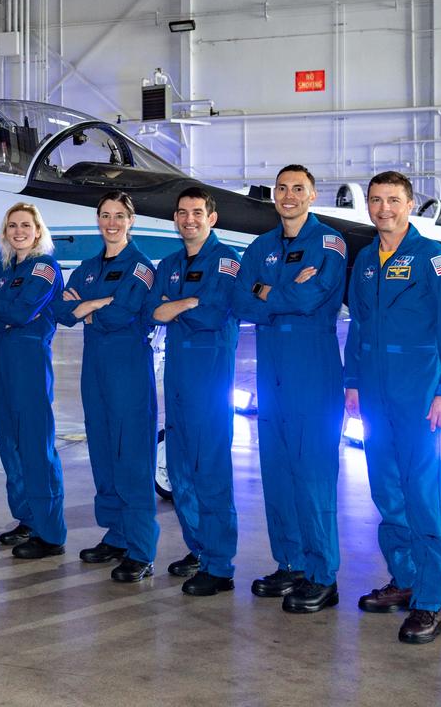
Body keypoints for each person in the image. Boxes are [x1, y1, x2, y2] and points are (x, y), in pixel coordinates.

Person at [344, 171, 441, 644]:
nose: (384, 210)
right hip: (375, 391)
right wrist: (353, 382)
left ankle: (432, 600)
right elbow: (358, 323)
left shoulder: (435, 258)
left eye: (393, 201)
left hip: (420, 392)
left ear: (410, 204)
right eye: (376, 201)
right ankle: (404, 579)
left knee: (422, 493)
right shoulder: (364, 260)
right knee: (387, 490)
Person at [232, 165, 347, 614]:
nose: (289, 195)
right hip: (271, 370)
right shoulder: (260, 247)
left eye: (299, 188)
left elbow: (312, 298)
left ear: (313, 195)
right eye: (282, 188)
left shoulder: (329, 243)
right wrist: (276, 292)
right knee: (277, 470)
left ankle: (323, 574)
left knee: (313, 473)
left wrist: (267, 293)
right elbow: (240, 300)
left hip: (312, 369)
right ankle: (291, 562)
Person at [54, 192, 158, 582]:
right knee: (101, 449)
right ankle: (115, 534)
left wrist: (89, 306)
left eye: (119, 216)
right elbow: (62, 312)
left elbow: (120, 315)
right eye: (105, 215)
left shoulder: (142, 268)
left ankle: (141, 547)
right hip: (94, 367)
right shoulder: (87, 267)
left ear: (131, 221)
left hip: (127, 367)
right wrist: (95, 305)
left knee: (131, 453)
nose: (111, 223)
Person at [146, 187, 241, 596]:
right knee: (181, 468)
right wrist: (189, 302)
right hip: (179, 379)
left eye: (197, 213)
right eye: (182, 213)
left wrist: (178, 305)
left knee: (211, 470)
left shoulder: (227, 262)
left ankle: (220, 563)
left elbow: (214, 312)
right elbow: (153, 309)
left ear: (212, 218)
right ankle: (199, 548)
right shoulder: (168, 263)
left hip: (210, 377)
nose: (189, 219)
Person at [0, 202, 67, 560]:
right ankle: (27, 518)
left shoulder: (45, 267)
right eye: (12, 225)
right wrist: (3, 315)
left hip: (30, 360)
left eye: (25, 225)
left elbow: (19, 310)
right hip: (1, 357)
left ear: (38, 230)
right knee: (10, 443)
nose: (18, 231)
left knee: (35, 444)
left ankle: (51, 531)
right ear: (5, 232)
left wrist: (0, 312)